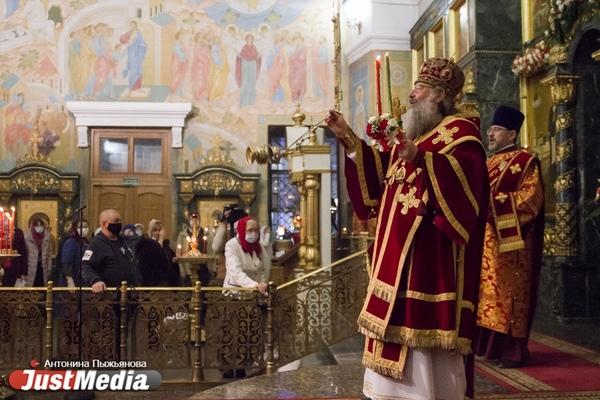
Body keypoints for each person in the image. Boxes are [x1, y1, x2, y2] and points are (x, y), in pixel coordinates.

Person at [326, 57, 489, 400]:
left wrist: (424, 159)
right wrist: (349, 139)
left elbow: (468, 191)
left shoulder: (461, 133)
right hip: (395, 256)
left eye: (419, 88)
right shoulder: (417, 136)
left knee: (423, 356)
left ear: (439, 95)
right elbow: (381, 178)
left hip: (428, 260)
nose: (411, 95)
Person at [475, 105, 545, 368]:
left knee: (506, 296)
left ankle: (510, 350)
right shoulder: (487, 162)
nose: (490, 134)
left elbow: (530, 199)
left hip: (511, 245)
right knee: (485, 295)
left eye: (496, 130)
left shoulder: (525, 162)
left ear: (512, 134)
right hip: (484, 242)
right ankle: (486, 347)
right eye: (490, 129)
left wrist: (491, 205)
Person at [82, 209, 140, 292]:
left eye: (120, 221)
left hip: (130, 293)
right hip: (110, 296)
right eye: (116, 221)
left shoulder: (122, 240)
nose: (119, 224)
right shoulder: (96, 243)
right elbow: (86, 266)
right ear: (105, 224)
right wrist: (95, 280)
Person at [223, 216, 271, 295]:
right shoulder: (231, 245)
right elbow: (236, 272)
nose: (254, 233)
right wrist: (253, 285)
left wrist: (262, 283)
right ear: (242, 230)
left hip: (257, 291)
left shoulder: (259, 245)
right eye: (250, 230)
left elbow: (266, 267)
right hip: (236, 292)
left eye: (256, 230)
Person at [23, 214, 52, 287]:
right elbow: (24, 255)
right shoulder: (27, 237)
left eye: (41, 226)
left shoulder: (47, 237)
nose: (39, 228)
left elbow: (49, 255)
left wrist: (49, 269)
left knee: (42, 289)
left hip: (43, 269)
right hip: (30, 269)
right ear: (33, 226)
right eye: (37, 226)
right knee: (31, 290)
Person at [60, 218, 90, 287]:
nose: (84, 229)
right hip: (73, 279)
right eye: (80, 227)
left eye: (86, 227)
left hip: (83, 278)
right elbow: (66, 263)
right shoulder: (70, 242)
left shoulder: (86, 242)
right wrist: (70, 281)